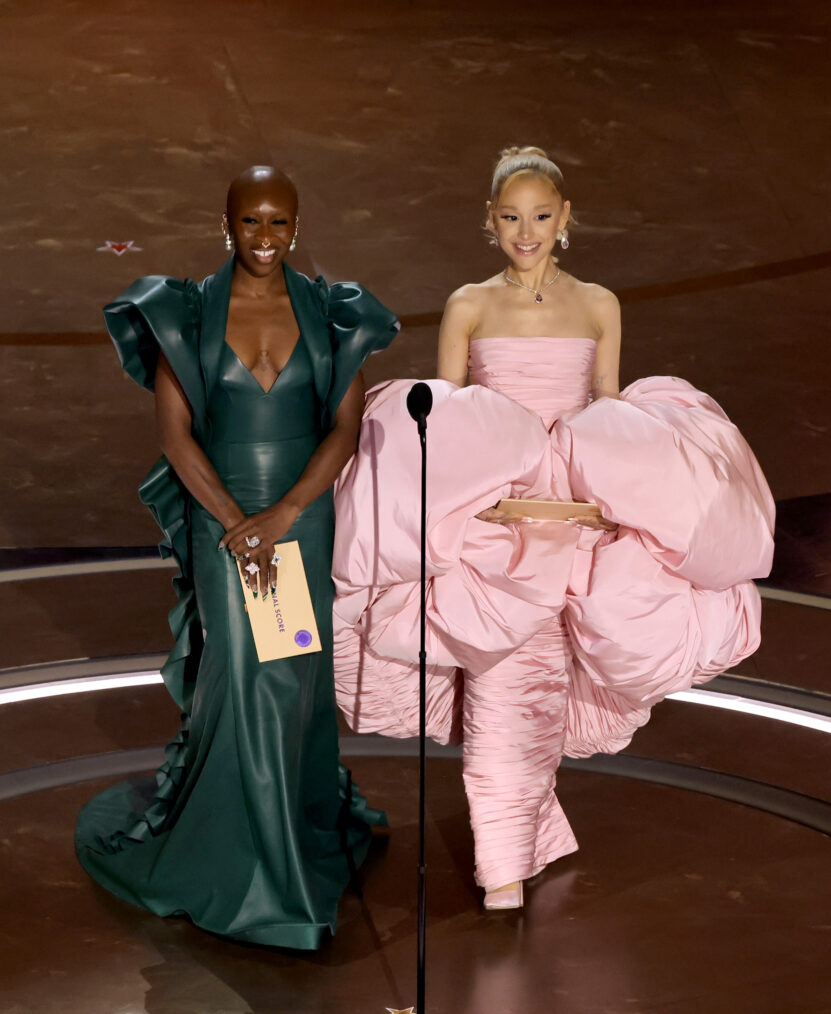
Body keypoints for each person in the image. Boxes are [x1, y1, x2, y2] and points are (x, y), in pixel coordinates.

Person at [331, 146, 774, 911]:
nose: (525, 232)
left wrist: (608, 497)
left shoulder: (599, 303)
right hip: (499, 522)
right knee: (512, 684)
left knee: (548, 688)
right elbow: (446, 415)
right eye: (510, 217)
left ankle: (526, 837)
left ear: (565, 219)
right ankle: (501, 869)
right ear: (489, 222)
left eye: (540, 216)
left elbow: (603, 410)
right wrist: (474, 499)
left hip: (574, 511)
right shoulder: (468, 303)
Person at [75, 165, 399, 948]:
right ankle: (260, 874)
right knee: (242, 677)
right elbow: (176, 437)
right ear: (227, 225)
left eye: (279, 224)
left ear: (297, 228)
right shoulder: (184, 313)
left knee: (288, 678)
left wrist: (283, 516)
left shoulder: (330, 314)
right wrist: (234, 524)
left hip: (297, 520)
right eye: (250, 222)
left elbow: (345, 431)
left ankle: (286, 834)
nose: (265, 238)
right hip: (221, 520)